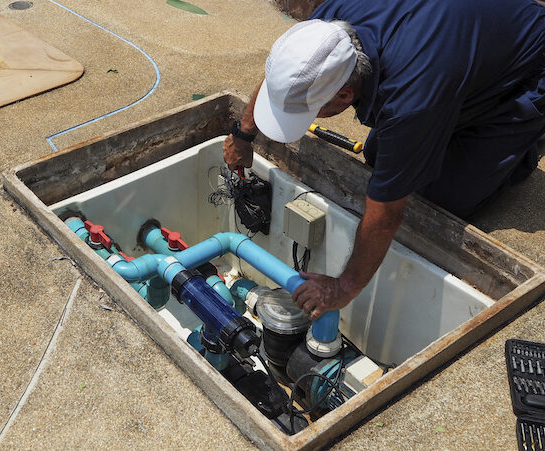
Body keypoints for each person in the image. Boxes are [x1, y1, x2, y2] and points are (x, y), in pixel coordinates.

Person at [223, 0, 545, 321]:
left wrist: (343, 288)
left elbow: (387, 215)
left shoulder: (410, 100)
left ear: (345, 96)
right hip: (463, 44)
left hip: (531, 65)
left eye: (310, 110)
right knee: (380, 153)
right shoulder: (326, 30)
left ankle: (521, 142)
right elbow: (284, 74)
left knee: (442, 195)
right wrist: (243, 133)